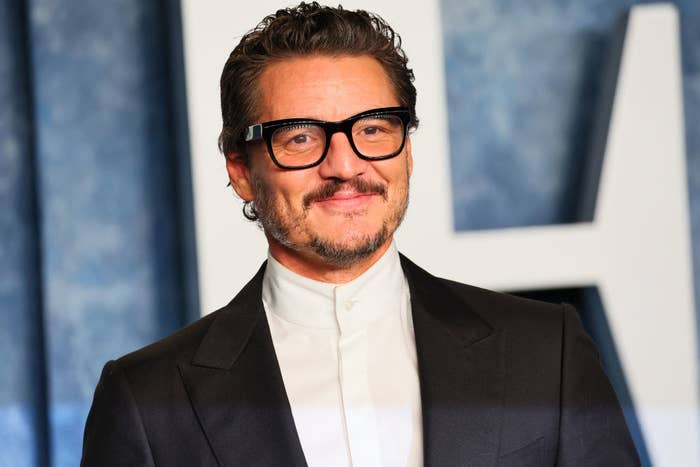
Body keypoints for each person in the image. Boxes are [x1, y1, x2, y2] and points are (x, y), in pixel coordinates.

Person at [81, 3, 641, 466]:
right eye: (300, 138)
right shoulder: (147, 401)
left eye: (373, 129)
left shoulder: (547, 352)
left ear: (408, 149)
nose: (346, 166)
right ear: (241, 170)